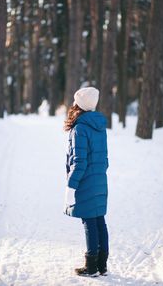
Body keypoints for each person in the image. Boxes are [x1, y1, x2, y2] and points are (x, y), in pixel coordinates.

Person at [64, 87, 109, 277]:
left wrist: (70, 186)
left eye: (75, 101)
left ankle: (91, 267)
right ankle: (101, 265)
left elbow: (79, 162)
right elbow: (104, 159)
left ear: (79, 105)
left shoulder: (80, 128)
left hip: (85, 181)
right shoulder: (99, 125)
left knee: (89, 222)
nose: (73, 104)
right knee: (99, 220)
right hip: (99, 179)